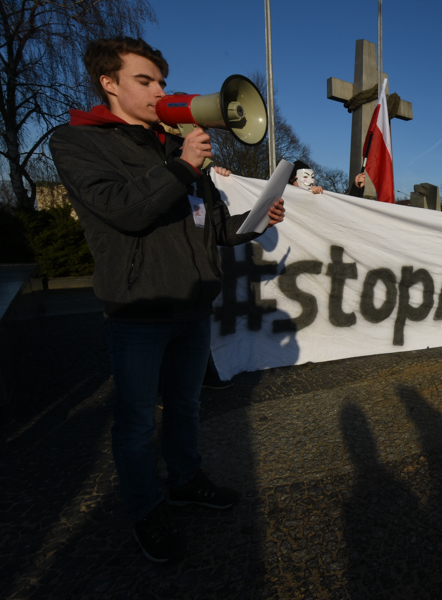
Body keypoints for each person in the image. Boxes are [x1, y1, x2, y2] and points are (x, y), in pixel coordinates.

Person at [49, 36, 286, 564]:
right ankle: (145, 508)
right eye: (144, 81)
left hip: (192, 303)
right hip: (138, 309)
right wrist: (181, 165)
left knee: (185, 404)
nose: (160, 90)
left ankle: (184, 480)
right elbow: (123, 210)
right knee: (136, 421)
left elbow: (209, 225)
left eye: (161, 80)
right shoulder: (77, 142)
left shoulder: (169, 142)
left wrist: (251, 224)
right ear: (108, 83)